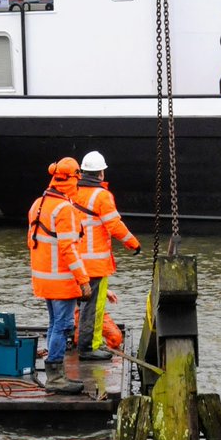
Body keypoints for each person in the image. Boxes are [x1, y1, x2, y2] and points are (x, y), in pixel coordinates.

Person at [27, 156, 92, 394]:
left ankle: (55, 373)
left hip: (44, 279)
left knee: (54, 324)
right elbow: (68, 248)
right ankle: (55, 377)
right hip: (62, 281)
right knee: (63, 326)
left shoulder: (39, 203)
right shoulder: (64, 209)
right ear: (73, 179)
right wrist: (83, 280)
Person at [72, 151, 141, 361]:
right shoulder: (102, 196)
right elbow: (114, 225)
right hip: (95, 265)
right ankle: (89, 347)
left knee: (77, 304)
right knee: (93, 307)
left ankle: (76, 340)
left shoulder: (72, 192)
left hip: (73, 261)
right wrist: (134, 244)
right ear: (101, 173)